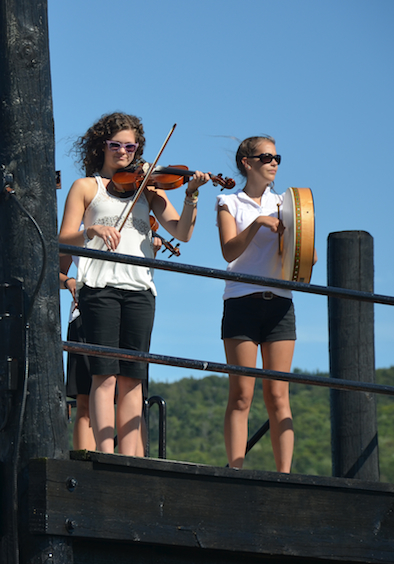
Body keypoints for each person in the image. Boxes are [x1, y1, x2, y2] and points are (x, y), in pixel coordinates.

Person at [58, 112, 207, 455]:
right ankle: (104, 453)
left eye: (130, 146)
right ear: (102, 146)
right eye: (116, 145)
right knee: (104, 375)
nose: (123, 152)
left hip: (140, 289)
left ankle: (128, 458)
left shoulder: (148, 189)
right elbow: (63, 239)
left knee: (132, 379)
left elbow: (182, 232)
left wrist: (192, 196)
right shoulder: (86, 187)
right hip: (99, 287)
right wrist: (91, 231)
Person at [216, 135, 299, 473]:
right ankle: (236, 472)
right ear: (246, 163)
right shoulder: (228, 202)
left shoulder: (288, 203)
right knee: (241, 395)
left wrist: (298, 239)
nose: (274, 162)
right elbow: (228, 251)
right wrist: (257, 224)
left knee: (279, 396)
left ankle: (285, 478)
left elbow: (306, 257)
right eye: (266, 157)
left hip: (280, 302)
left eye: (277, 156)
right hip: (241, 301)